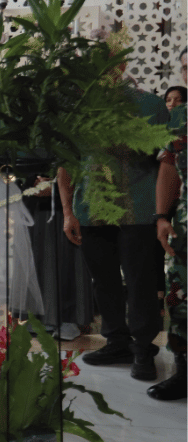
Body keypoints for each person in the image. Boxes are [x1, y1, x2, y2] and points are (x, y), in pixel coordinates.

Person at [59, 84, 169, 381]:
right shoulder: (74, 107)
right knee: (103, 281)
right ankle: (117, 342)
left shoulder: (149, 104)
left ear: (120, 64)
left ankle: (144, 348)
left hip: (140, 207)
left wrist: (164, 211)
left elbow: (167, 158)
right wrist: (68, 212)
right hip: (91, 207)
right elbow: (65, 162)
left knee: (140, 281)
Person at [150, 101, 186, 400]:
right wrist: (162, 216)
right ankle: (183, 373)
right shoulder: (181, 117)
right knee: (180, 298)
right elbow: (169, 165)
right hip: (185, 228)